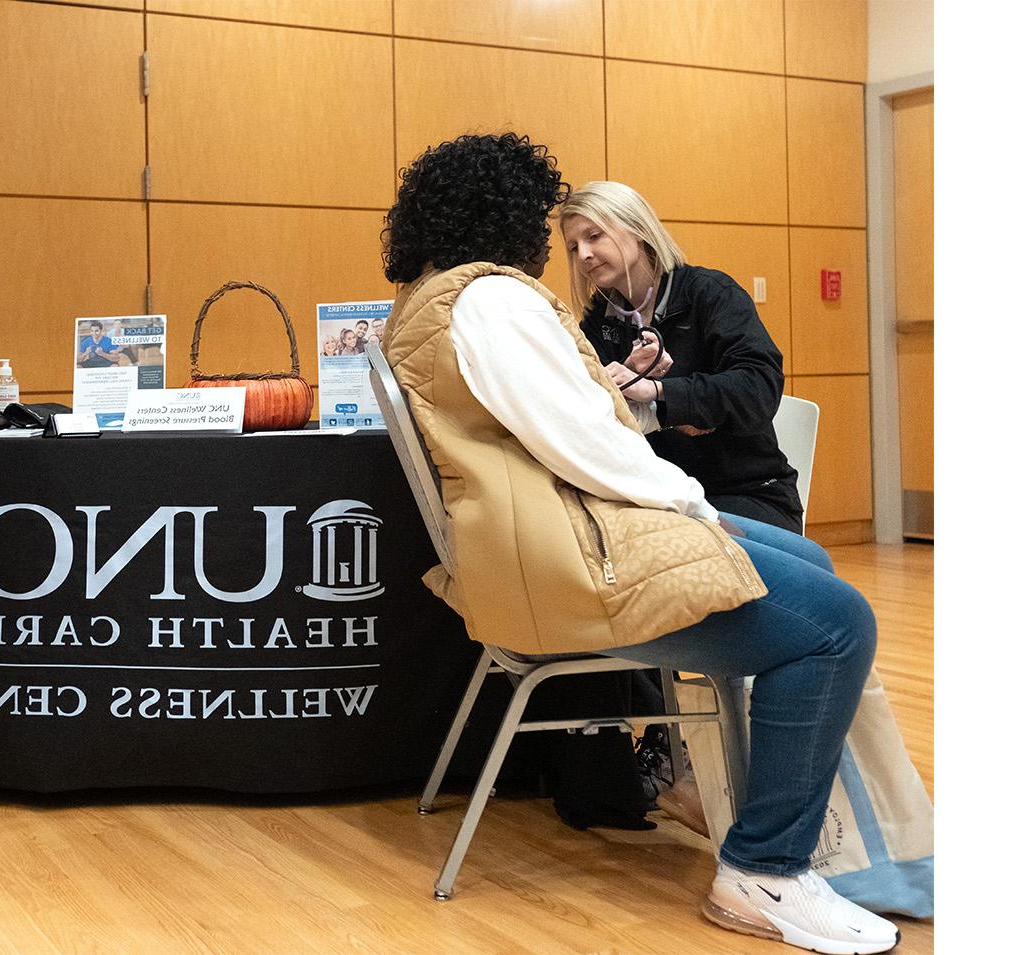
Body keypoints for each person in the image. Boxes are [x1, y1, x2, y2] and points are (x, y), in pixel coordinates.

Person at [380, 133, 898, 953]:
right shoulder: (495, 302)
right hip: (582, 557)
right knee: (840, 625)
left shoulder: (429, 304)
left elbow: (587, 425)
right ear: (511, 215)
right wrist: (693, 509)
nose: (577, 254)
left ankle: (772, 802)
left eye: (593, 238)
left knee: (817, 570)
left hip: (543, 551)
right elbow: (583, 440)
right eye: (567, 236)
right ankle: (765, 864)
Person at [562, 181, 801, 533]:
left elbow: (758, 389)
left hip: (745, 493)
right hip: (660, 499)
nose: (583, 254)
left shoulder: (711, 294)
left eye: (594, 236)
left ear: (638, 229)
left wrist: (657, 392)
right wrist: (624, 377)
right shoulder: (599, 321)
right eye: (573, 247)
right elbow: (590, 418)